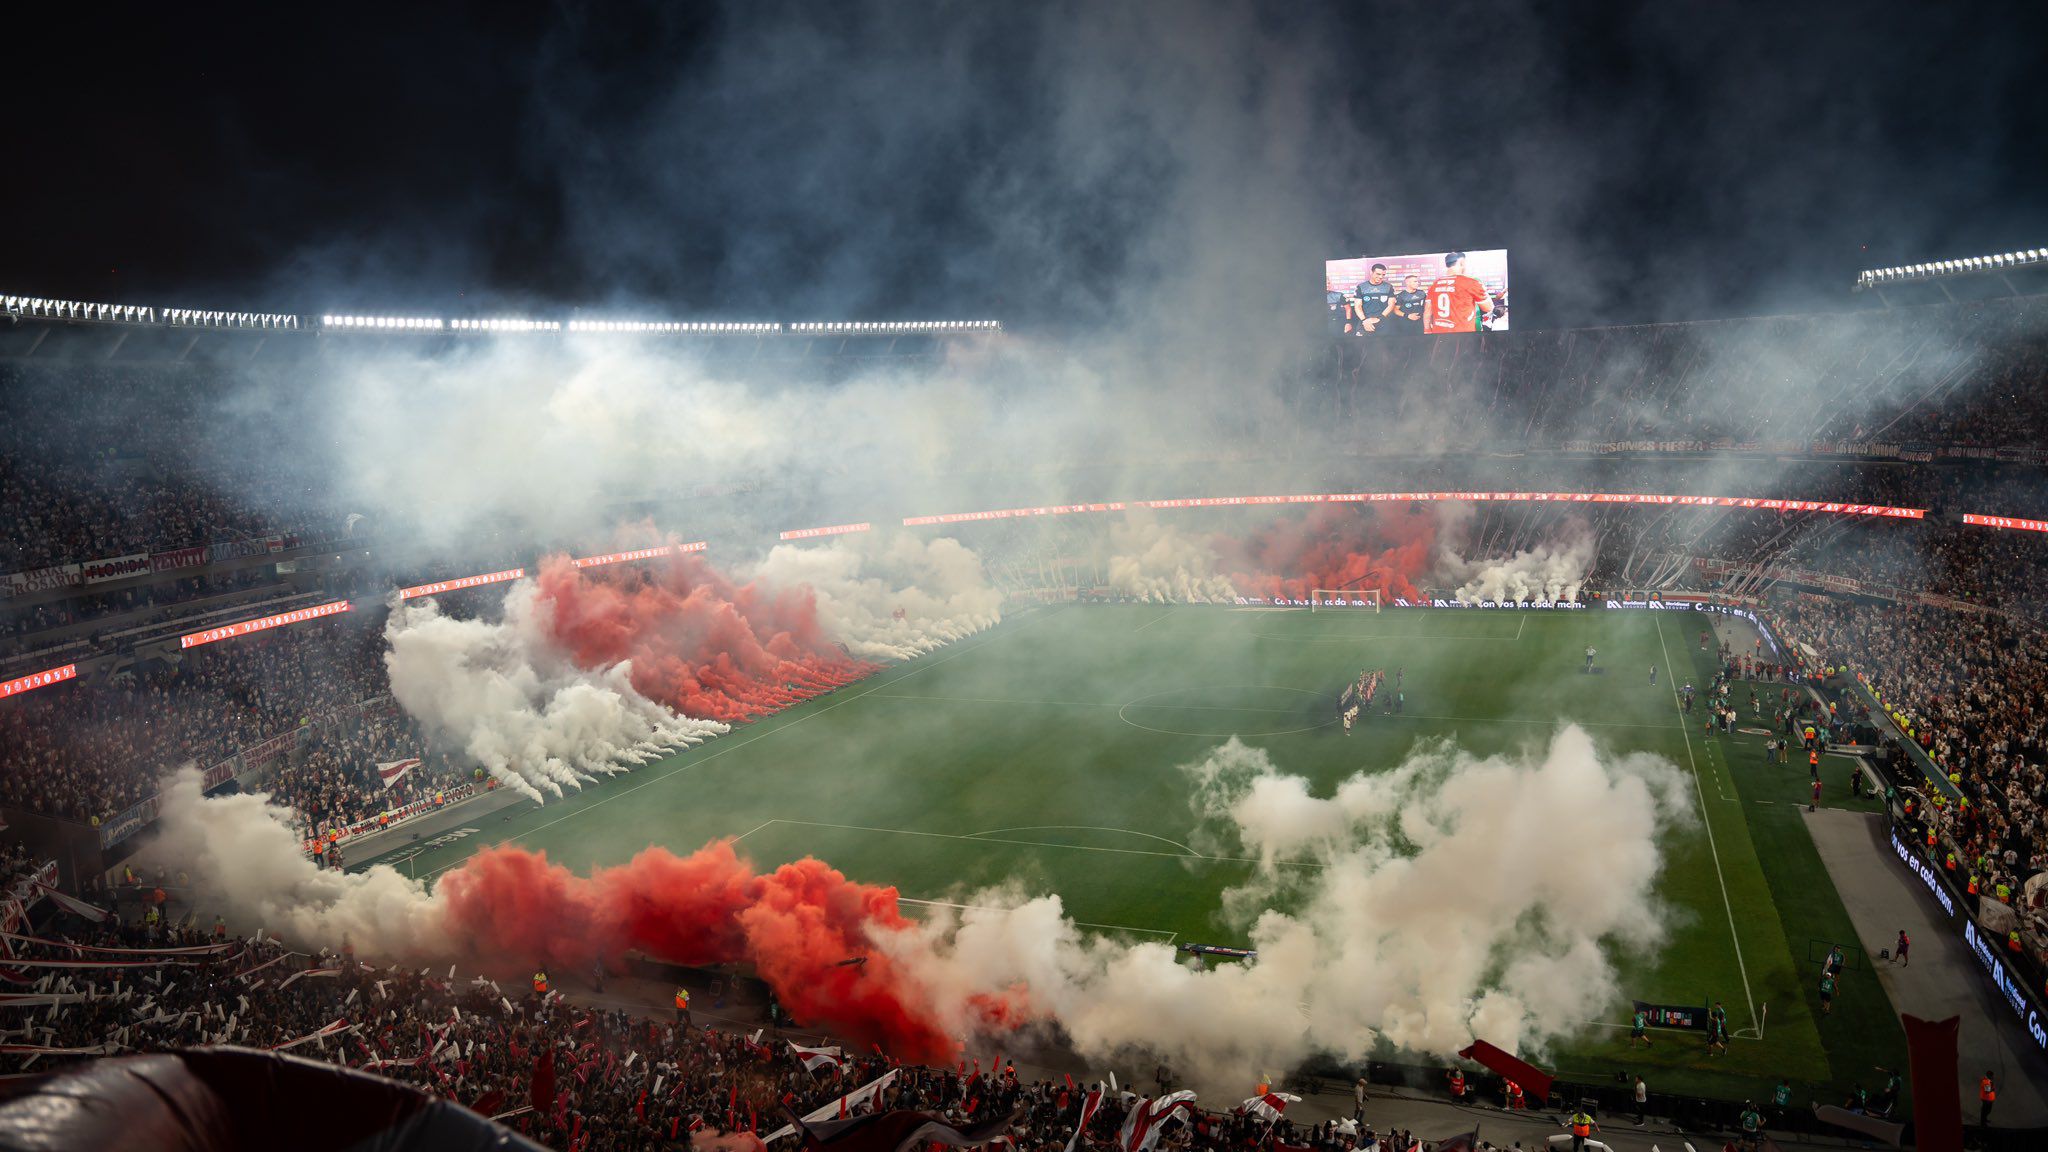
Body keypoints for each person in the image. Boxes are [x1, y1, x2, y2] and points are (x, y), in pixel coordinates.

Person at [1424, 252, 1494, 335]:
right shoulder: (1472, 283)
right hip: (1463, 335)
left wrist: (1427, 330)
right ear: (1462, 263)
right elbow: (1488, 308)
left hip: (1439, 335)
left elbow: (1427, 312)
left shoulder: (1434, 284)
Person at [1350, 264, 1396, 334]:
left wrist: (1379, 318)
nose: (1381, 277)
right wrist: (1364, 321)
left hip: (1382, 320)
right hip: (1365, 321)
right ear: (1371, 272)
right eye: (1378, 274)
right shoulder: (1361, 287)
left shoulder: (1388, 287)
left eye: (1383, 275)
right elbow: (1358, 306)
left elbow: (1391, 305)